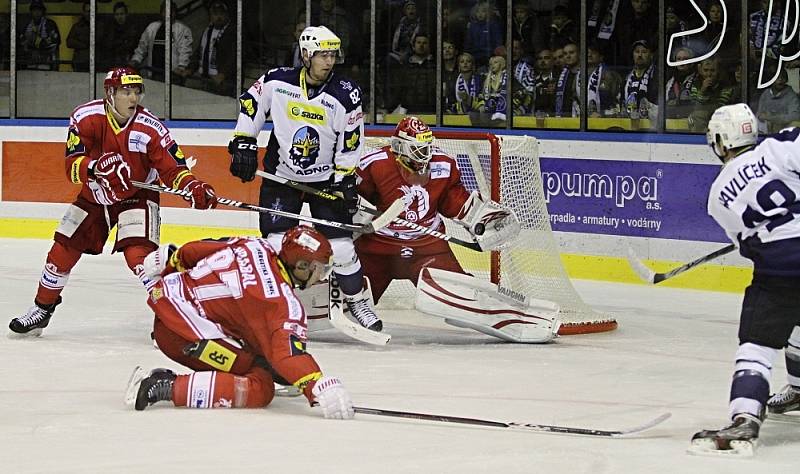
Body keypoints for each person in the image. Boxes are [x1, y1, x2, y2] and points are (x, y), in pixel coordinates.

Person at [8, 67, 217, 338]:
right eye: (125, 91)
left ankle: (173, 316)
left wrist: (192, 186)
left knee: (139, 258)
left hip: (137, 196)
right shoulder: (86, 118)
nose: (133, 98)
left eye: (136, 91)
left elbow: (173, 169)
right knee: (63, 249)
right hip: (95, 195)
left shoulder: (150, 128)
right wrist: (95, 168)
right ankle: (42, 309)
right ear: (110, 93)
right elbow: (71, 168)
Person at [226, 26, 381, 332]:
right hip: (281, 177)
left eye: (333, 54)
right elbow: (251, 105)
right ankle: (274, 306)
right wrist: (244, 141)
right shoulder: (277, 80)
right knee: (274, 245)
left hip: (326, 181)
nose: (329, 61)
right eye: (323, 54)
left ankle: (357, 302)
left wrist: (345, 178)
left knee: (341, 248)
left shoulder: (345, 93)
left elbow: (351, 139)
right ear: (306, 54)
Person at [126, 227, 354, 419]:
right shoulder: (282, 304)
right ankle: (164, 386)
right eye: (319, 269)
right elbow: (287, 354)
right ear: (302, 267)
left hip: (169, 304)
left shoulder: (254, 246)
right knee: (260, 386)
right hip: (181, 336)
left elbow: (191, 251)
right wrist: (317, 385)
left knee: (275, 365)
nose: (322, 277)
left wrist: (170, 265)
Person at [690, 103, 800, 456]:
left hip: (778, 270)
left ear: (721, 141)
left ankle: (746, 416)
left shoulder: (717, 194)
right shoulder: (781, 147)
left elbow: (749, 244)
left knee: (757, 345)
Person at [355, 116, 517, 304]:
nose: (425, 154)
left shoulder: (443, 164)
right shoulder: (375, 164)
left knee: (461, 299)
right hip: (378, 247)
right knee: (350, 299)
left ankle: (489, 307)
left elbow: (454, 201)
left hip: (427, 247)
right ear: (400, 146)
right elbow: (353, 198)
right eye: (418, 149)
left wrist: (479, 218)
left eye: (427, 147)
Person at [130, 0, 193, 84]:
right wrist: (135, 60)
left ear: (175, 13)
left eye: (171, 11)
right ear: (161, 13)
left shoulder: (183, 30)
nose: (168, 14)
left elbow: (185, 51)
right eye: (165, 11)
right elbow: (142, 48)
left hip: (173, 77)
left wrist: (181, 67)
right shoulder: (152, 27)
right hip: (153, 74)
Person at [188, 0, 236, 96]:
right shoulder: (208, 30)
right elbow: (200, 51)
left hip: (223, 82)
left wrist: (223, 74)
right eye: (215, 14)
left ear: (226, 15)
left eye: (221, 14)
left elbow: (235, 57)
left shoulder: (233, 32)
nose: (218, 17)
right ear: (210, 16)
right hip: (206, 78)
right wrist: (190, 68)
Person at [18, 0, 61, 71]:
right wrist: (31, 49)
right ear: (31, 12)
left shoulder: (50, 24)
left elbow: (55, 41)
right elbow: (22, 43)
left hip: (47, 64)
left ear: (43, 12)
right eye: (34, 10)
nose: (37, 13)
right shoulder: (27, 25)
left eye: (39, 10)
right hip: (30, 64)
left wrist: (37, 48)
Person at [66, 1, 90, 72]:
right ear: (83, 12)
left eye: (91, 11)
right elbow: (69, 42)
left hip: (97, 64)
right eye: (87, 11)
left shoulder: (101, 26)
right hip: (80, 63)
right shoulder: (77, 27)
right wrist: (83, 45)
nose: (89, 14)